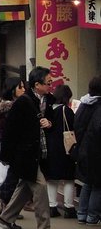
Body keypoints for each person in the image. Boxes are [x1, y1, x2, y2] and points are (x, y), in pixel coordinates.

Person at [0, 66, 54, 229]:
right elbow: (10, 130)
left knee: (24, 186)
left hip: (39, 152)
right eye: (48, 83)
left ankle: (7, 217)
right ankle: (44, 226)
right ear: (37, 84)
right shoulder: (24, 102)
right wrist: (7, 156)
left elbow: (51, 121)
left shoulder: (48, 100)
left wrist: (49, 123)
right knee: (41, 186)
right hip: (25, 154)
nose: (51, 85)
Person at [0, 77, 27, 217]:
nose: (24, 90)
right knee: (10, 176)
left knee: (5, 174)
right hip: (10, 145)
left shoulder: (3, 107)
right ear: (13, 90)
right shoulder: (13, 108)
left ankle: (5, 204)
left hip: (2, 142)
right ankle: (7, 206)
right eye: (21, 87)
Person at [43, 84, 76, 218]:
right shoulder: (66, 111)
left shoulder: (48, 109)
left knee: (52, 179)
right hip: (65, 148)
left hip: (50, 148)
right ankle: (69, 208)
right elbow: (73, 127)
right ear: (66, 97)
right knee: (68, 178)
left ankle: (52, 207)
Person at [74, 75, 101, 225]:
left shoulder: (84, 104)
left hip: (83, 150)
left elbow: (76, 125)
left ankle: (82, 214)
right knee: (98, 185)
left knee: (88, 183)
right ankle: (92, 216)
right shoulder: (99, 106)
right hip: (97, 151)